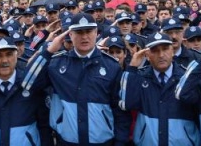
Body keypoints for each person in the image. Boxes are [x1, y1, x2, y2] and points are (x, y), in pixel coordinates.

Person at [22, 13, 129, 145]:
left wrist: (120, 142)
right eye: (79, 32)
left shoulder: (111, 66)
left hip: (103, 141)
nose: (84, 36)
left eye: (88, 31)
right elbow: (27, 82)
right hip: (67, 141)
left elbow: (120, 111)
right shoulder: (57, 63)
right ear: (70, 35)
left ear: (96, 33)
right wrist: (48, 52)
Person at [119, 33, 200, 145]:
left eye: (165, 49)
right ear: (147, 54)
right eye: (155, 50)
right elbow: (127, 104)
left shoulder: (185, 78)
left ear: (172, 51)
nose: (161, 55)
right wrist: (132, 68)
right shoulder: (140, 77)